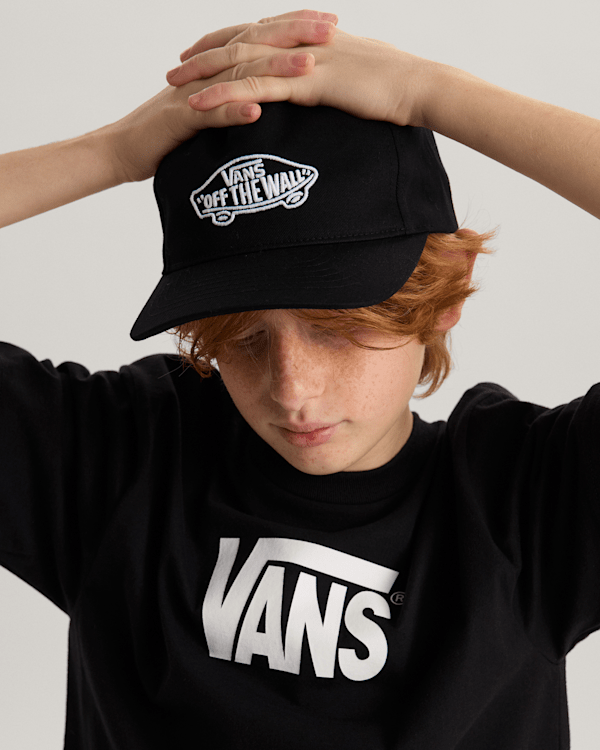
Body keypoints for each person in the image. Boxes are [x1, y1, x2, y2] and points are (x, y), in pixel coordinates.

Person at [1, 9, 599, 749]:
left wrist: (433, 92)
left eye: (338, 327)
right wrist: (113, 152)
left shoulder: (527, 502)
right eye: (244, 339)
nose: (291, 390)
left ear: (441, 293)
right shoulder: (119, 460)